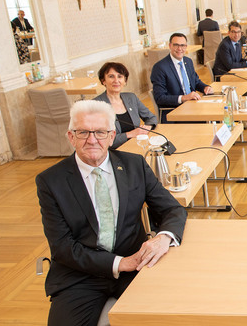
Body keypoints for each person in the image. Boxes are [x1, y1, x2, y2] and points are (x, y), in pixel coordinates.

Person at [36, 100, 187, 325]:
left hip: (137, 265)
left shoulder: (134, 165)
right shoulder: (51, 181)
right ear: (71, 136)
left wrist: (163, 238)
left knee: (170, 316)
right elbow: (62, 247)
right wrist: (118, 263)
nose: (92, 139)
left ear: (111, 135)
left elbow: (172, 209)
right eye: (83, 132)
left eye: (100, 132)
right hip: (80, 274)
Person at [150, 33, 213, 122]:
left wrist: (205, 87)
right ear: (170, 46)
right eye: (176, 45)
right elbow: (160, 98)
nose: (179, 49)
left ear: (186, 46)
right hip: (174, 111)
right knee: (210, 121)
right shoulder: (160, 67)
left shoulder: (188, 61)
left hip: (193, 105)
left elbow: (196, 81)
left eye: (182, 45)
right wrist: (184, 98)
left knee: (217, 116)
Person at [93, 62, 157, 149]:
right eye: (111, 76)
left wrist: (147, 127)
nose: (116, 80)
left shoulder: (131, 97)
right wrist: (130, 134)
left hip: (136, 146)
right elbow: (102, 139)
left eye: (120, 76)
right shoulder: (96, 105)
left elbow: (151, 118)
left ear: (125, 80)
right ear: (103, 81)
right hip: (114, 152)